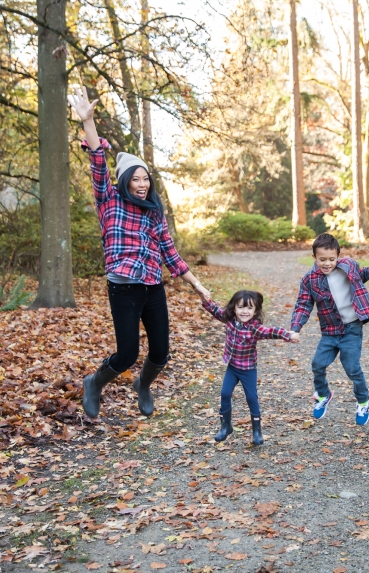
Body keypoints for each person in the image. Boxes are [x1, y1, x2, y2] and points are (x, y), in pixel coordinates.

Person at [68, 86, 211, 420]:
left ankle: (143, 386)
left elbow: (171, 256)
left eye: (146, 178)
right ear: (125, 181)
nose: (143, 183)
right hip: (123, 288)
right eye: (137, 178)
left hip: (152, 287)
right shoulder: (109, 201)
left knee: (161, 352)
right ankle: (94, 382)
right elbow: (97, 162)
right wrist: (88, 122)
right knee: (127, 353)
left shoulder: (153, 213)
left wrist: (199, 286)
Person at [291, 233, 369, 425]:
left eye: (331, 259)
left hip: (352, 328)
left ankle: (363, 400)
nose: (327, 263)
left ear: (338, 256)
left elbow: (364, 274)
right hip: (330, 331)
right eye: (322, 259)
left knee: (352, 367)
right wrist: (296, 328)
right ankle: (323, 395)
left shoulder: (348, 266)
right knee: (318, 363)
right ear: (314, 258)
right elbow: (303, 305)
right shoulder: (310, 280)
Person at [203, 290, 300, 445]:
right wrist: (205, 299)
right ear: (234, 308)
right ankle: (226, 426)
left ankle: (256, 431)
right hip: (232, 367)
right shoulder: (230, 320)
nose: (244, 311)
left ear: (255, 311)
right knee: (225, 394)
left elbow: (270, 331)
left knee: (251, 397)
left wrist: (287, 335)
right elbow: (215, 311)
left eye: (249, 308)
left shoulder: (254, 328)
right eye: (241, 307)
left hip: (248, 370)